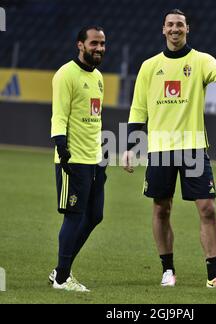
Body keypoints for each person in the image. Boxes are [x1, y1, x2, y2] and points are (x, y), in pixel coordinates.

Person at [123, 9, 216, 289]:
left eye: (180, 25)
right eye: (170, 25)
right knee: (161, 209)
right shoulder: (149, 66)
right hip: (160, 149)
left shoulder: (200, 61)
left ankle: (214, 275)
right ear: (163, 29)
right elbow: (138, 109)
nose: (175, 29)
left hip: (193, 148)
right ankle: (167, 271)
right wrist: (129, 146)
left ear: (187, 29)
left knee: (207, 209)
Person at [50, 26, 107, 292]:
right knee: (73, 216)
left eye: (102, 44)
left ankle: (60, 270)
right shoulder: (65, 74)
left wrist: (102, 157)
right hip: (73, 159)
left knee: (95, 215)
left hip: (94, 159)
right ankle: (62, 279)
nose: (99, 48)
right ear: (80, 45)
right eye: (94, 43)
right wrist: (62, 148)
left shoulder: (98, 77)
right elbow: (59, 114)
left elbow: (95, 119)